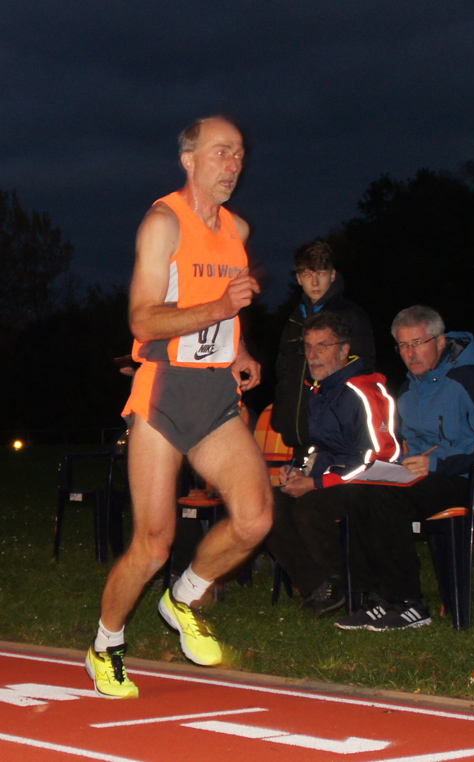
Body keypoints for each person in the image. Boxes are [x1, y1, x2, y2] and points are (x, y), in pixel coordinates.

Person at [85, 115, 273, 698]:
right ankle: (105, 644)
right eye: (221, 152)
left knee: (255, 519)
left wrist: (239, 349)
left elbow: (225, 310)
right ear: (189, 160)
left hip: (214, 394)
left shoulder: (237, 229)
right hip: (163, 394)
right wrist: (220, 309)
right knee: (153, 543)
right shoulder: (163, 223)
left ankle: (183, 596)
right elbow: (143, 320)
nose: (232, 164)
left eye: (238, 154)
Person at [334, 305, 474, 632]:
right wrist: (396, 464)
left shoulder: (472, 381)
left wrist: (437, 463)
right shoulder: (411, 390)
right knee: (360, 491)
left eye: (418, 343)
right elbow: (414, 446)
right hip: (436, 479)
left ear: (440, 341)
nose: (411, 353)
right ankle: (376, 599)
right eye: (403, 346)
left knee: (389, 499)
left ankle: (409, 603)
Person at [266, 311, 399, 615]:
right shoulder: (321, 391)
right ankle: (320, 584)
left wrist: (316, 483)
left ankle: (349, 583)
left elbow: (380, 455)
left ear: (343, 350)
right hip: (334, 478)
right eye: (308, 347)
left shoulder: (363, 390)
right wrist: (300, 468)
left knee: (310, 507)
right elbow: (323, 446)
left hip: (370, 483)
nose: (313, 355)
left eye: (323, 346)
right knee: (267, 505)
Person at [271, 239, 376, 463]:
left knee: (328, 481)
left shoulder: (351, 315)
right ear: (299, 278)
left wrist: (341, 416)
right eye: (308, 275)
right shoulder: (294, 318)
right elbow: (282, 368)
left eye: (321, 273)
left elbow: (364, 371)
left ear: (333, 275)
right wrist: (282, 414)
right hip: (297, 430)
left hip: (334, 432)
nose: (315, 282)